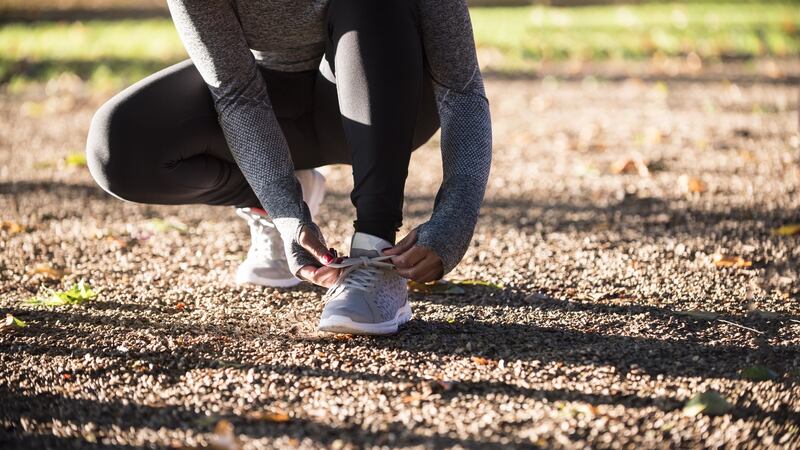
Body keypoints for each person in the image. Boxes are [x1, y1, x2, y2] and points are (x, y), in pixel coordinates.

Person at [85, 0, 492, 335]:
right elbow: (236, 93)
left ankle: (375, 249)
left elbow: (462, 90)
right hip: (267, 105)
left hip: (384, 98)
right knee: (119, 147)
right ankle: (275, 197)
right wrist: (286, 212)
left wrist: (455, 221)